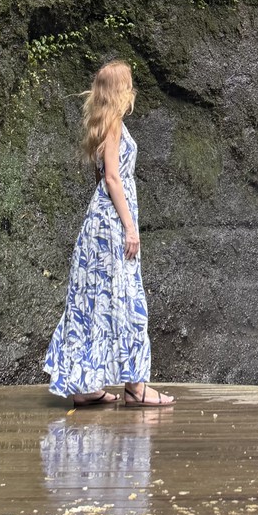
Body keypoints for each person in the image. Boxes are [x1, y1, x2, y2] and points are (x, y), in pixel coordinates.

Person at [44, 58, 174, 407]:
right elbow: (114, 178)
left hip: (98, 220)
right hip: (113, 222)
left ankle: (86, 386)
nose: (132, 88)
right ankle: (136, 387)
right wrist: (130, 227)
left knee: (94, 297)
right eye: (128, 82)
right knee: (125, 294)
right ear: (119, 88)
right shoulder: (114, 124)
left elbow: (103, 178)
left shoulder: (102, 124)